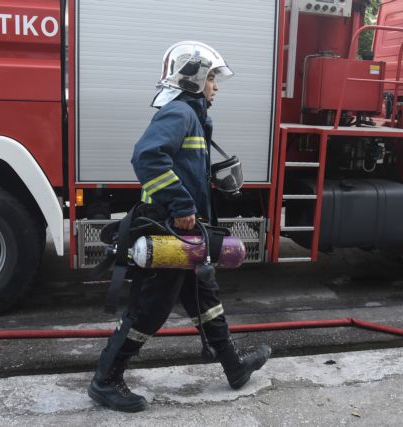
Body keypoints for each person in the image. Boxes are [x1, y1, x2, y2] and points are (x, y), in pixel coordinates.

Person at [88, 41, 271, 412]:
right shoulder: (180, 112)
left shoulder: (192, 117)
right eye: (212, 78)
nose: (216, 86)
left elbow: (180, 167)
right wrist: (182, 204)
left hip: (184, 230)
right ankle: (105, 381)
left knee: (205, 297)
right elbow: (146, 157)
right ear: (194, 78)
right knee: (150, 310)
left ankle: (234, 366)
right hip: (166, 228)